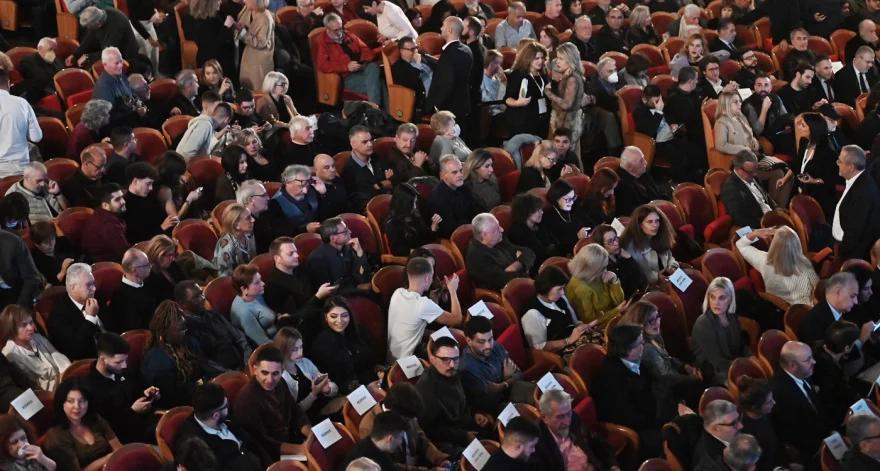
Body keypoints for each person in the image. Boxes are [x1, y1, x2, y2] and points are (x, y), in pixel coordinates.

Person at [620, 300, 703, 421]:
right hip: (662, 396)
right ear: (640, 323)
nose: (657, 322)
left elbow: (666, 357)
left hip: (672, 381)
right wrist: (691, 379)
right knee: (700, 384)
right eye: (651, 320)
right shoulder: (645, 348)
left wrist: (684, 366)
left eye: (657, 317)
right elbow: (665, 376)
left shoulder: (654, 335)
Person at [591, 324, 661, 458]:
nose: (644, 345)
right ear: (627, 349)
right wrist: (660, 419)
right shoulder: (610, 378)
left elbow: (654, 387)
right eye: (640, 343)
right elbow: (626, 416)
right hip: (632, 430)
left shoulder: (637, 361)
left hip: (649, 416)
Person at [416, 336, 493, 454]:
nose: (452, 365)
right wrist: (464, 436)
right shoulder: (426, 388)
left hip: (465, 424)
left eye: (456, 359)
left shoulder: (453, 372)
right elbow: (430, 429)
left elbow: (466, 397)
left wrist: (475, 413)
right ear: (433, 359)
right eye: (445, 359)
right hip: (447, 439)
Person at [83, 332, 159, 444]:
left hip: (147, 423)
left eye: (125, 360)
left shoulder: (123, 371)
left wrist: (148, 393)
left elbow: (137, 389)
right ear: (103, 359)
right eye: (118, 362)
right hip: (127, 438)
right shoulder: (91, 387)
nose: (124, 365)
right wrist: (132, 411)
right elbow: (107, 425)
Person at [234, 346, 309, 457]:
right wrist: (301, 450)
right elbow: (262, 443)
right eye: (264, 373)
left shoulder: (281, 382)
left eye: (275, 374)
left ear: (282, 371)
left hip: (294, 440)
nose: (270, 380)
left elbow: (295, 411)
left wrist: (310, 433)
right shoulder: (246, 400)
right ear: (255, 370)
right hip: (272, 455)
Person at [174, 383, 266, 471]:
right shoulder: (195, 448)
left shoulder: (224, 417)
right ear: (215, 415)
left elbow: (253, 441)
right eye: (226, 405)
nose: (228, 406)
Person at [388, 257, 461, 361]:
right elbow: (456, 319)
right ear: (427, 278)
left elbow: (411, 327)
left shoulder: (397, 293)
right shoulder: (424, 304)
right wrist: (453, 291)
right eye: (432, 276)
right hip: (409, 363)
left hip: (391, 359)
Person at [770, 341, 831, 463]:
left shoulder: (802, 372)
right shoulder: (779, 394)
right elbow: (792, 433)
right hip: (809, 452)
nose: (814, 362)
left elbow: (816, 408)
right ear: (792, 366)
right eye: (808, 360)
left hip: (824, 436)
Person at [44, 378, 122, 471]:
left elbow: (118, 448)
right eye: (70, 401)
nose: (77, 406)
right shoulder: (56, 436)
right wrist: (108, 458)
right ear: (61, 403)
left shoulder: (95, 419)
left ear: (88, 402)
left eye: (82, 400)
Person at [263, 237, 333, 337]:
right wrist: (318, 296)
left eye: (296, 252)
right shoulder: (273, 286)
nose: (297, 255)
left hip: (319, 315)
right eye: (290, 253)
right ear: (277, 258)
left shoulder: (300, 269)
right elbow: (294, 318)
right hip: (303, 330)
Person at [459, 316, 531, 414]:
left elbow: (519, 374)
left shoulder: (496, 346)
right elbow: (490, 401)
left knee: (541, 394)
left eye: (490, 339)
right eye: (481, 342)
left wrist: (502, 384)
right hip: (495, 408)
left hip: (513, 390)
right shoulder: (467, 368)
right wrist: (506, 379)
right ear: (469, 341)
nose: (488, 346)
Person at [176, 280, 251, 372]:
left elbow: (240, 338)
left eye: (201, 293)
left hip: (245, 363)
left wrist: (248, 361)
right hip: (226, 375)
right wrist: (233, 374)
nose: (203, 298)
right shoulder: (187, 332)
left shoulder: (213, 315)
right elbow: (205, 363)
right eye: (196, 297)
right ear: (182, 305)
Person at [142, 301, 203, 409]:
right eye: (181, 330)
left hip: (195, 393)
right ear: (166, 331)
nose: (185, 332)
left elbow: (203, 365)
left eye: (185, 328)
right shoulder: (158, 360)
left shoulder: (188, 343)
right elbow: (168, 397)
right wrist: (200, 390)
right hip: (176, 406)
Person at [272, 327, 343, 420]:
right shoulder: (279, 378)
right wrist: (313, 394)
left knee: (349, 404)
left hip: (323, 402)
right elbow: (294, 412)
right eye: (294, 349)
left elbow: (334, 389)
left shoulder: (305, 362)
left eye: (301, 347)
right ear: (283, 350)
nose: (300, 353)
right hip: (307, 417)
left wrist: (328, 389)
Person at [736, 226, 818, 306]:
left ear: (774, 243)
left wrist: (755, 233)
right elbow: (816, 288)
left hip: (780, 305)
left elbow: (741, 245)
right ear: (797, 243)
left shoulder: (764, 261)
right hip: (807, 306)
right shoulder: (804, 261)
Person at [309, 297, 377, 393]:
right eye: (333, 316)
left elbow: (369, 361)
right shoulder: (321, 344)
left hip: (370, 382)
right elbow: (335, 380)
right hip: (342, 392)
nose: (340, 320)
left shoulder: (358, 331)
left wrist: (376, 376)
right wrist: (365, 387)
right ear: (326, 317)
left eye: (344, 315)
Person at [691, 277, 751, 385]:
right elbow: (717, 362)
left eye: (722, 298)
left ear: (730, 299)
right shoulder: (702, 324)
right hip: (713, 371)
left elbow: (741, 344)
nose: (716, 303)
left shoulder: (732, 316)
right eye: (712, 297)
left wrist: (751, 357)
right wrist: (742, 368)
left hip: (734, 363)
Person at [315, 13, 383, 106]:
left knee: (373, 66)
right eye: (336, 30)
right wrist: (346, 67)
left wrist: (363, 60)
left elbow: (365, 49)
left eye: (340, 28)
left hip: (362, 68)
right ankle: (377, 110)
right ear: (327, 29)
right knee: (380, 83)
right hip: (347, 77)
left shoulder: (347, 34)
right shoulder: (322, 41)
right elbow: (322, 65)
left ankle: (375, 109)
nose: (340, 31)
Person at [1, 305, 70, 393]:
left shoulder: (37, 337)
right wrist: (61, 380)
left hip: (65, 380)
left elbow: (58, 356)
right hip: (48, 394)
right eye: (24, 325)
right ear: (12, 328)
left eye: (31, 322)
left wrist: (68, 372)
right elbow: (35, 386)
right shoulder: (10, 354)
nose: (30, 328)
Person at [47, 263, 107, 360]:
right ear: (73, 287)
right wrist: (91, 318)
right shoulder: (58, 316)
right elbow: (75, 350)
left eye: (94, 283)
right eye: (89, 285)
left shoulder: (98, 297)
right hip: (91, 361)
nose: (94, 289)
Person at [833, 145, 880, 260]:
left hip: (852, 255)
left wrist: (840, 254)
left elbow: (854, 233)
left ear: (851, 167)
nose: (837, 164)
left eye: (840, 161)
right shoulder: (860, 179)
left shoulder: (862, 193)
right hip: (843, 240)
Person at [466, 213, 535, 292]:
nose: (502, 229)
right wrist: (524, 267)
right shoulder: (476, 258)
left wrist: (515, 265)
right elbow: (505, 280)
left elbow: (529, 252)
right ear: (484, 235)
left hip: (522, 282)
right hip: (506, 293)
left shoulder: (498, 239)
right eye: (496, 228)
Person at [798, 271, 872, 345]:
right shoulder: (812, 323)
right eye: (852, 296)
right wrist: (860, 341)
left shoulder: (848, 311)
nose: (856, 301)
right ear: (838, 292)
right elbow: (831, 352)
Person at [812, 321, 862, 428]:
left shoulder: (817, 346)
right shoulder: (828, 371)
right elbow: (833, 402)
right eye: (854, 343)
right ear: (846, 348)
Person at [305, 217, 372, 295]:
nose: (350, 232)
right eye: (345, 231)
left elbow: (362, 276)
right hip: (337, 298)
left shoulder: (347, 248)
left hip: (352, 289)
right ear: (333, 238)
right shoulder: (317, 259)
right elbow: (327, 291)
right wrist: (357, 289)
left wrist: (359, 252)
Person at [620, 204, 679, 286]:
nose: (655, 225)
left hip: (667, 278)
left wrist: (673, 266)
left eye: (657, 221)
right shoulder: (631, 245)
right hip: (650, 286)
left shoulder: (658, 235)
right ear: (640, 225)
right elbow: (644, 274)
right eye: (650, 221)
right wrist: (659, 277)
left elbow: (669, 257)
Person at [736, 376, 787, 471]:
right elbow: (758, 465)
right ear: (754, 407)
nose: (774, 403)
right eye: (769, 402)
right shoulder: (746, 433)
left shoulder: (765, 414)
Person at [230, 264, 287, 346]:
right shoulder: (244, 313)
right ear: (244, 289)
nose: (263, 283)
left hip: (280, 332)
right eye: (257, 283)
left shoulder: (255, 294)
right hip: (273, 345)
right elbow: (263, 343)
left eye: (260, 280)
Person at [720, 150, 777, 230]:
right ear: (738, 169)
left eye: (756, 170)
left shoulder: (751, 176)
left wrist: (777, 210)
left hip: (772, 218)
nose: (755, 174)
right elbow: (740, 219)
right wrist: (766, 226)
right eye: (751, 172)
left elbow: (766, 197)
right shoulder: (730, 188)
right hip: (757, 227)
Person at [504, 41, 551, 138]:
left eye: (542, 58)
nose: (540, 61)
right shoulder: (518, 75)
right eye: (536, 58)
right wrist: (518, 103)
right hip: (523, 121)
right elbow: (507, 99)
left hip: (542, 120)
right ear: (528, 58)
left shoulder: (543, 73)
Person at [546, 43, 585, 156]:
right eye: (557, 58)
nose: (557, 61)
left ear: (570, 59)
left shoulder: (572, 79)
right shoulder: (568, 75)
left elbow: (566, 104)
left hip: (566, 125)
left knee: (564, 157)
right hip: (565, 121)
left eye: (561, 59)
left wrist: (548, 93)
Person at [263, 165, 321, 241]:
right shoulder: (275, 203)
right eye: (300, 186)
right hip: (294, 241)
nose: (305, 191)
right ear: (287, 182)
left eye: (307, 185)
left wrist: (323, 194)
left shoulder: (312, 190)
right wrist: (305, 229)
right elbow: (280, 233)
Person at [343, 125, 392, 214]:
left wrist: (377, 186)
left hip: (390, 203)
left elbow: (392, 180)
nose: (370, 144)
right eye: (365, 142)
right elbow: (362, 202)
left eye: (370, 140)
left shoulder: (377, 157)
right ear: (353, 144)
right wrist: (381, 185)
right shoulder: (349, 171)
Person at [67, 6, 139, 67]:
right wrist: (75, 55)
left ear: (98, 24)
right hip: (108, 50)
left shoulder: (115, 25)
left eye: (89, 27)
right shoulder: (98, 17)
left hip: (126, 58)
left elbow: (109, 52)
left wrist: (88, 57)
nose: (88, 29)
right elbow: (88, 40)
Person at [109, 248, 157, 332]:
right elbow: (134, 328)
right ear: (134, 270)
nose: (150, 266)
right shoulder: (121, 296)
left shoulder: (149, 281)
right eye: (146, 265)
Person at [339, 411, 408, 471]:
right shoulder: (366, 464)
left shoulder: (374, 445)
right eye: (401, 437)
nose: (401, 442)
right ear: (390, 439)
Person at [385, 184, 439, 257]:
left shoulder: (414, 214)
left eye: (415, 202)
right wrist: (420, 253)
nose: (415, 206)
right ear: (403, 203)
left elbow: (424, 237)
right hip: (413, 257)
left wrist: (433, 228)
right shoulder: (392, 224)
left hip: (424, 251)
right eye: (412, 202)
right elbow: (398, 251)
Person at [80, 183, 129, 263]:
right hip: (108, 264)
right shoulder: (108, 224)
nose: (123, 201)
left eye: (122, 197)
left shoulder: (101, 212)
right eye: (117, 199)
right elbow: (126, 253)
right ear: (105, 205)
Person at [614, 146, 668, 217]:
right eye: (641, 161)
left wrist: (667, 203)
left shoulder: (642, 171)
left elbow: (657, 192)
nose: (645, 162)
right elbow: (634, 214)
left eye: (643, 158)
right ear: (630, 167)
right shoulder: (621, 186)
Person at [234, 0, 275, 91]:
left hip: (258, 62)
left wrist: (242, 33)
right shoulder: (247, 10)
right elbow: (240, 23)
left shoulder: (266, 18)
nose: (244, 0)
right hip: (246, 57)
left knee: (257, 91)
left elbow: (260, 43)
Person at [508, 193, 558, 267]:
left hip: (551, 260)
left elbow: (553, 241)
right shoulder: (516, 232)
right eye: (538, 210)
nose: (542, 212)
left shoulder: (540, 224)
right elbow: (535, 255)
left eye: (541, 209)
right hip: (537, 266)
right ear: (526, 212)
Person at [541, 179, 589, 255]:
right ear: (557, 198)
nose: (571, 202)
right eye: (568, 199)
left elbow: (590, 223)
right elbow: (557, 246)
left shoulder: (575, 207)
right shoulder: (548, 217)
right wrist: (577, 236)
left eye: (573, 198)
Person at [693, 400, 743, 469]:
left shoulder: (729, 436)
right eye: (733, 423)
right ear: (715, 428)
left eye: (739, 419)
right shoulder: (710, 464)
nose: (741, 426)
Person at [213, 204, 257, 276]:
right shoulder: (226, 246)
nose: (253, 220)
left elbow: (253, 261)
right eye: (248, 218)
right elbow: (224, 275)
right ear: (236, 225)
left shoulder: (249, 234)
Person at [17, 37, 63, 105]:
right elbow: (41, 78)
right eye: (50, 49)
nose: (53, 52)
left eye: (54, 49)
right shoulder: (28, 61)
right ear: (40, 49)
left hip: (58, 87)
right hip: (43, 91)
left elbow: (62, 72)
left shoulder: (54, 59)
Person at [144, 235, 186, 302]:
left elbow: (184, 282)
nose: (172, 259)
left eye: (173, 254)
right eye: (169, 255)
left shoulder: (172, 264)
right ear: (157, 254)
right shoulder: (148, 276)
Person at [313, 154, 348, 221]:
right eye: (327, 167)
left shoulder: (337, 180)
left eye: (333, 166)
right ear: (316, 170)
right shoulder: (313, 189)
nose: (332, 170)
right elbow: (323, 216)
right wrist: (323, 194)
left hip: (346, 217)